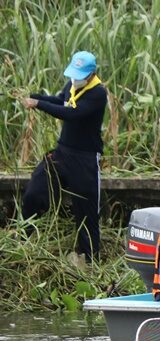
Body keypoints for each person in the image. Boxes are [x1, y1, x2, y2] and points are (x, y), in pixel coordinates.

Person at [20, 51, 108, 263]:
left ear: (92, 74)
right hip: (62, 153)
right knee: (33, 193)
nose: (75, 79)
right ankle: (24, 241)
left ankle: (90, 260)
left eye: (80, 76)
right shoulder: (73, 84)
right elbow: (61, 101)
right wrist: (35, 96)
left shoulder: (98, 93)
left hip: (85, 159)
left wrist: (38, 104)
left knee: (86, 213)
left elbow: (71, 114)